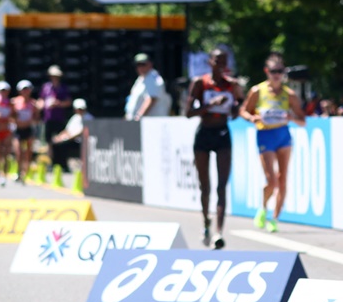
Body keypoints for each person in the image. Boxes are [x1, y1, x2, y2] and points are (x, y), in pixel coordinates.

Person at [185, 48, 243, 248]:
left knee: (222, 186)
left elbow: (238, 110)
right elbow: (188, 112)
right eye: (217, 60)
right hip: (204, 133)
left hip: (222, 133)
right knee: (205, 186)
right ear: (210, 62)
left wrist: (235, 107)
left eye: (224, 61)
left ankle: (219, 231)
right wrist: (210, 105)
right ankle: (206, 223)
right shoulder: (200, 83)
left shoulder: (231, 85)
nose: (220, 64)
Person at [240, 51, 305, 233]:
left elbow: (302, 120)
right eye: (273, 71)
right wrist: (252, 118)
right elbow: (243, 111)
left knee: (282, 179)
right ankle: (263, 207)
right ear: (266, 71)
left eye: (280, 71)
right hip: (265, 135)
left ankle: (275, 219)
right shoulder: (257, 90)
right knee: (271, 180)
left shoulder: (289, 94)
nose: (276, 75)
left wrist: (291, 117)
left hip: (283, 135)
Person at [49, 97, 91, 173]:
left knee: (63, 145)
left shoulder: (89, 118)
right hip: (70, 140)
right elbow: (67, 130)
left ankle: (64, 167)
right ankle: (57, 166)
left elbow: (81, 132)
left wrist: (67, 139)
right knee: (55, 143)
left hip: (80, 142)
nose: (80, 110)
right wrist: (58, 137)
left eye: (81, 109)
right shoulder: (75, 117)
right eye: (78, 109)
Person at [40, 65, 72, 164]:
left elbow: (68, 102)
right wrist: (42, 105)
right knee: (49, 142)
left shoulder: (63, 88)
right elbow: (41, 100)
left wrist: (58, 104)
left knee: (61, 140)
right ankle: (51, 162)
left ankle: (62, 162)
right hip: (48, 118)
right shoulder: (46, 87)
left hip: (59, 118)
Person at [125, 52, 171, 121]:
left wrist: (138, 117)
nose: (140, 67)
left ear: (150, 64)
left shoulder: (152, 78)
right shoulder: (141, 78)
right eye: (138, 64)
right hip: (137, 122)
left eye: (143, 64)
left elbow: (151, 99)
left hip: (151, 123)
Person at [11, 79, 39, 183]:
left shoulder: (33, 104)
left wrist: (32, 119)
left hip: (28, 130)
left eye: (27, 89)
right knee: (18, 152)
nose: (25, 91)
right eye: (23, 89)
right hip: (18, 130)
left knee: (28, 153)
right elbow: (11, 115)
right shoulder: (14, 102)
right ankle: (18, 171)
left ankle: (25, 173)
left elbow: (37, 118)